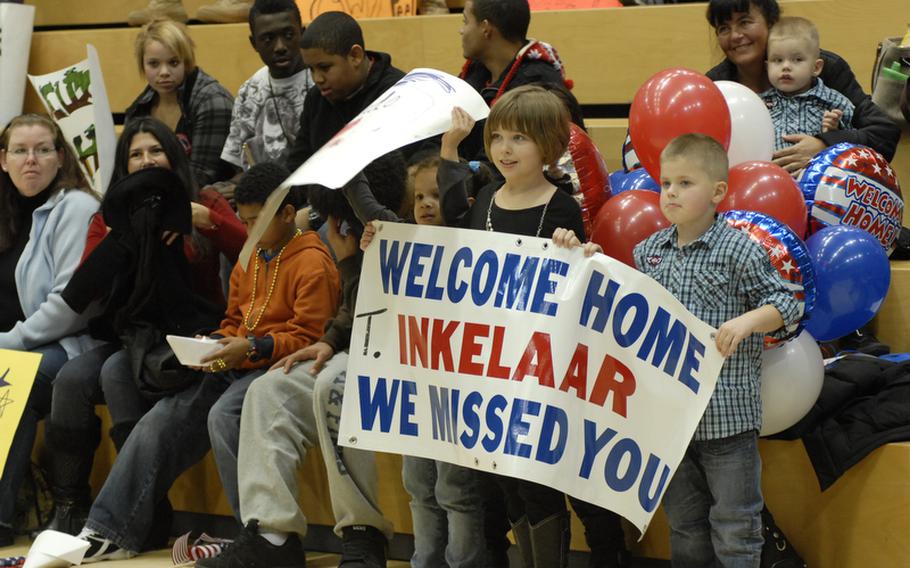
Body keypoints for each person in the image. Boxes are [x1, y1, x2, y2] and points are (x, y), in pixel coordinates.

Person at [74, 162, 339, 562]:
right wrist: (215, 343)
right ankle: (108, 528)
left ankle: (264, 537)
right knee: (166, 416)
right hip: (242, 359)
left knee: (225, 414)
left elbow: (310, 337)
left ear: (288, 215)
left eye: (258, 221)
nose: (249, 232)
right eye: (245, 221)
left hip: (282, 365)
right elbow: (234, 318)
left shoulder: (312, 261)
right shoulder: (252, 255)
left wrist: (248, 346)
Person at [195, 153, 406, 568]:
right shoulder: (273, 256)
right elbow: (347, 312)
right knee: (267, 389)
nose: (328, 230)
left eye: (336, 224)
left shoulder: (333, 253)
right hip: (344, 349)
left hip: (397, 359)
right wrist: (328, 341)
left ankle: (362, 533)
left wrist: (261, 346)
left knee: (335, 389)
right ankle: (271, 536)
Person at [40, 117, 245, 537]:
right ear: (124, 164)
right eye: (135, 154)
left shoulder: (203, 198)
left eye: (155, 150)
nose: (146, 160)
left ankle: (144, 505)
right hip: (131, 336)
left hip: (197, 333)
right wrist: (123, 236)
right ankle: (72, 505)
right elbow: (83, 291)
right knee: (72, 379)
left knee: (118, 373)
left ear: (173, 156)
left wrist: (205, 220)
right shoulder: (109, 216)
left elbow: (256, 248)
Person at [632, 133, 801, 566]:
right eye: (665, 183)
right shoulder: (648, 253)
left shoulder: (740, 249)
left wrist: (747, 322)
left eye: (685, 183)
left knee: (736, 526)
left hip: (726, 418)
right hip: (671, 420)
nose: (671, 192)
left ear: (718, 192)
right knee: (685, 524)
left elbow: (788, 301)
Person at [438, 86, 583, 568]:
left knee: (535, 483)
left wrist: (572, 248)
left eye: (518, 138)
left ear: (548, 145)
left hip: (537, 373)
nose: (504, 148)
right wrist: (449, 152)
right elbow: (448, 234)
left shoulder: (560, 209)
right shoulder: (483, 202)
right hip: (489, 370)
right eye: (497, 136)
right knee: (503, 483)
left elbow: (578, 285)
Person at [0, 114, 100, 547]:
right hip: (15, 346)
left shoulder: (76, 207)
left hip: (69, 345)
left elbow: (69, 307)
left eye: (42, 150)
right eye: (20, 151)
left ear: (61, 157)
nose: (31, 160)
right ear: (3, 160)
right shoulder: (4, 210)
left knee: (12, 378)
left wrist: (8, 343)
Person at [705, 0, 901, 173]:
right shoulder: (715, 88)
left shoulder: (823, 69)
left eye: (744, 22)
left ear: (772, 23)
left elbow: (884, 133)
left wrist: (826, 145)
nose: (735, 35)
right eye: (723, 28)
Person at [285, 11, 406, 172]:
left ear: (355, 56)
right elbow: (297, 167)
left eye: (324, 67)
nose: (317, 79)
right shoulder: (315, 98)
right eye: (311, 69)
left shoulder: (400, 93)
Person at [217, 0, 313, 201]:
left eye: (288, 35)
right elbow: (240, 166)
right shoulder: (249, 92)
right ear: (254, 44)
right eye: (268, 39)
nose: (280, 47)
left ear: (302, 33)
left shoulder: (323, 80)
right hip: (265, 204)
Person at [125, 18, 234, 186]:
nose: (164, 72)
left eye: (173, 62)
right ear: (142, 65)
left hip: (209, 202)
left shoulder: (213, 101)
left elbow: (201, 177)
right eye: (154, 64)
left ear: (187, 62)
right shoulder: (138, 109)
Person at [457, 0, 572, 160]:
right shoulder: (475, 71)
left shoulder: (539, 85)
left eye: (465, 21)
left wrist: (451, 164)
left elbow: (516, 164)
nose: (460, 30)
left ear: (485, 28)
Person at [762, 16, 854, 153]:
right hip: (771, 170)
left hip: (819, 171)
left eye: (797, 59)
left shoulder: (833, 102)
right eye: (778, 60)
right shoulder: (760, 103)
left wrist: (834, 132)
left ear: (816, 67)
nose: (786, 66)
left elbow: (853, 144)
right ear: (767, 67)